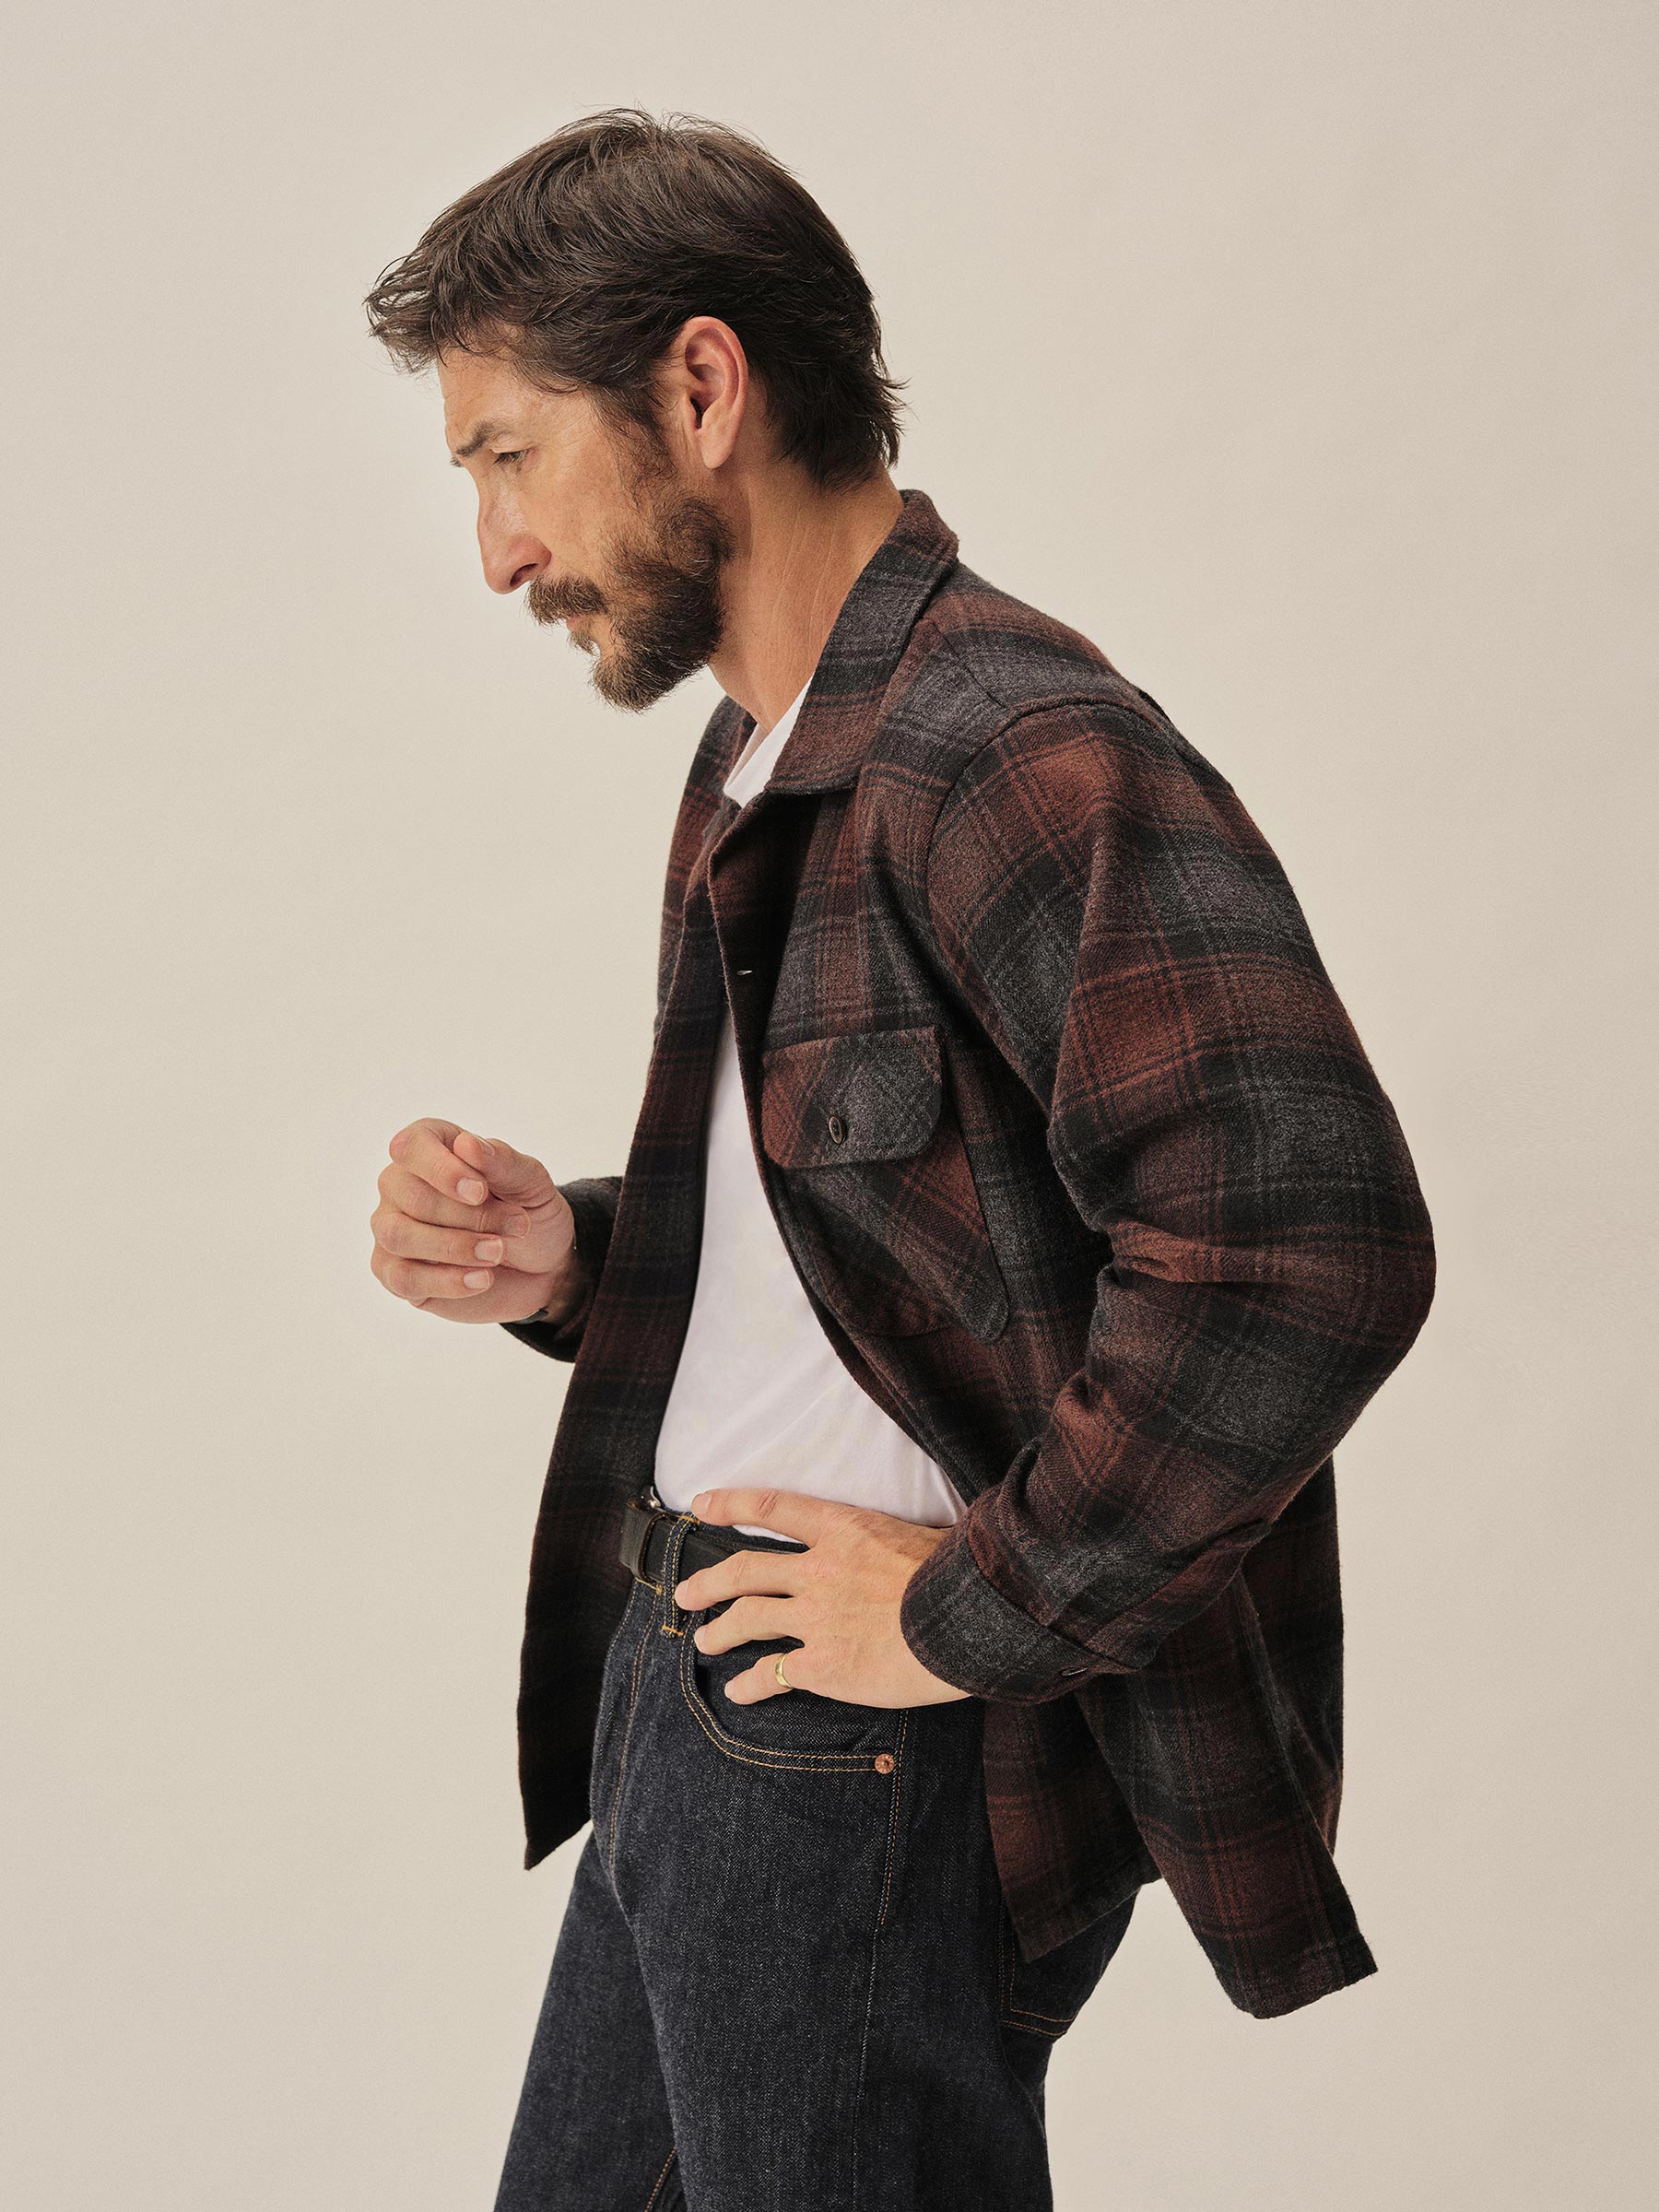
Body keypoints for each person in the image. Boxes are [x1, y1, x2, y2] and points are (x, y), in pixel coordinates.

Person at [363, 107, 1436, 2212]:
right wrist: (571, 1260)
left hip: (862, 1756)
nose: (498, 549)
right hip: (698, 1695)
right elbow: (897, 1256)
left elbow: (1306, 1249)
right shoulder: (767, 751)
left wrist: (971, 1612)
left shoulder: (1011, 747)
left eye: (508, 456)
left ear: (701, 389)